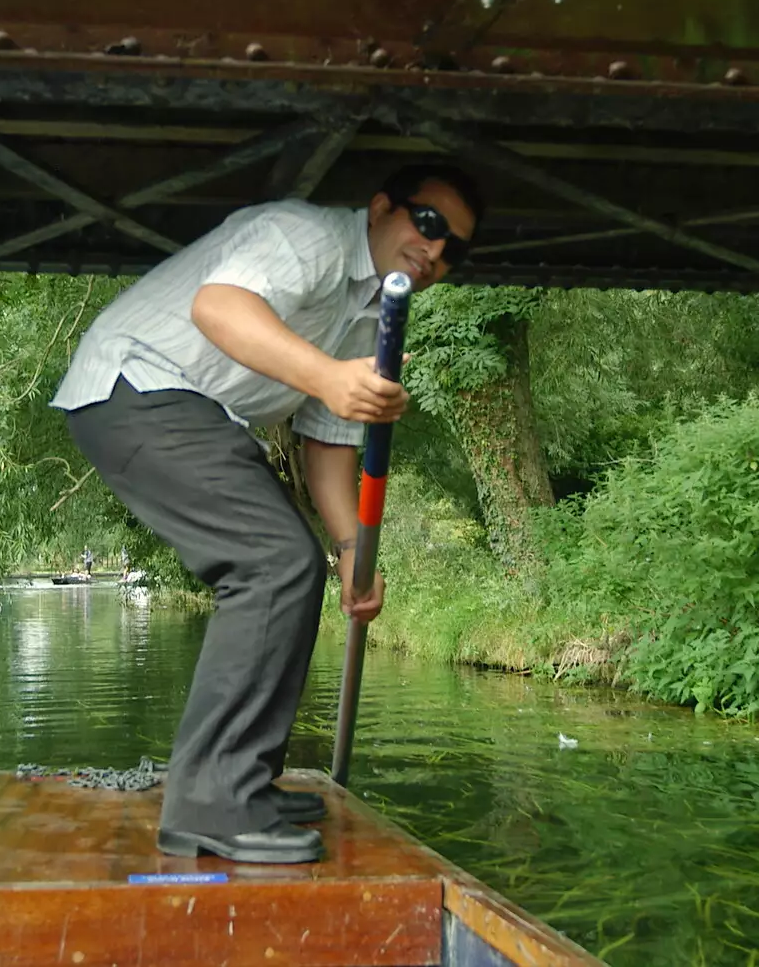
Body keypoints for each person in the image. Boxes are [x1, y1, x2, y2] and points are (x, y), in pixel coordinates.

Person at [53, 163, 481, 864]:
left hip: (187, 406)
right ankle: (211, 804)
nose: (435, 252)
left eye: (454, 250)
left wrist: (352, 551)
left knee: (296, 563)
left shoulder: (370, 318)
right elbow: (217, 309)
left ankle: (242, 787)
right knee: (273, 562)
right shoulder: (304, 235)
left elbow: (327, 443)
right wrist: (329, 376)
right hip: (131, 385)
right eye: (428, 225)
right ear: (382, 208)